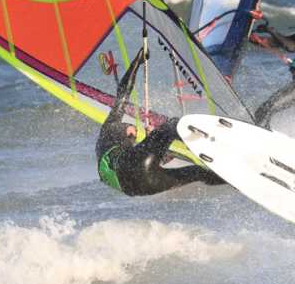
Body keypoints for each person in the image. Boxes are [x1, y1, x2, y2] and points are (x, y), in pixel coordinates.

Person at [96, 48, 225, 196]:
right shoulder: (112, 131)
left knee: (197, 172)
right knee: (171, 126)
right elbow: (123, 92)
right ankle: (213, 141)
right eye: (134, 131)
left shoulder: (110, 139)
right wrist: (135, 63)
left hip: (141, 188)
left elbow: (123, 94)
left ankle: (234, 181)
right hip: (136, 168)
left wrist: (151, 143)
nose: (135, 132)